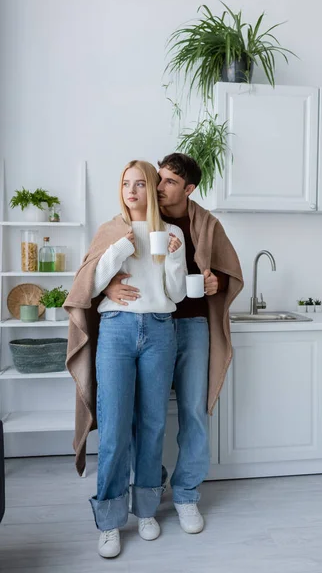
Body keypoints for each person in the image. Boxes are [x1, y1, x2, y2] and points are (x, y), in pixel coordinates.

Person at [103, 153, 244, 534]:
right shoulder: (132, 222)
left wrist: (219, 284)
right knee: (138, 416)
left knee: (193, 412)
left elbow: (229, 271)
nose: (159, 187)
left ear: (189, 189)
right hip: (148, 324)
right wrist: (110, 285)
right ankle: (149, 483)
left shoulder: (205, 224)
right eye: (158, 179)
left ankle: (185, 494)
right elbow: (101, 267)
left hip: (193, 325)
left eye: (168, 182)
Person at [65, 160, 187, 558]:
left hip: (159, 329)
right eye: (124, 183)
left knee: (152, 424)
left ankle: (147, 509)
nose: (131, 190)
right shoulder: (110, 231)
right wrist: (120, 252)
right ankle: (110, 521)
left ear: (152, 189)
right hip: (116, 330)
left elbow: (177, 294)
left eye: (139, 184)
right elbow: (91, 283)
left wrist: (172, 255)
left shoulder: (170, 234)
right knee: (115, 426)